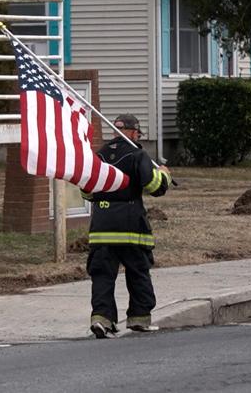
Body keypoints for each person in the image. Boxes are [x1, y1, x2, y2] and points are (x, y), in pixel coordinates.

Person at [81, 113, 172, 339]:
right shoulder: (137, 154)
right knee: (138, 272)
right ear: (132, 132)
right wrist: (164, 176)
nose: (138, 137)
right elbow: (154, 187)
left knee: (102, 276)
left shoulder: (99, 155)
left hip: (102, 227)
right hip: (131, 227)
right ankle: (139, 318)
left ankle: (102, 319)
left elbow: (87, 191)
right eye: (137, 133)